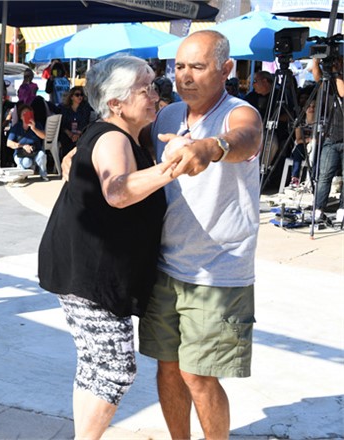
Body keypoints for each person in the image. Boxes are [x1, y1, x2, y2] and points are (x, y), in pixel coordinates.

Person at [39, 55, 175, 440]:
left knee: (95, 364)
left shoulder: (117, 133)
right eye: (144, 89)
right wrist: (175, 164)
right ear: (115, 102)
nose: (155, 94)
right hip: (89, 272)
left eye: (154, 85)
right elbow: (117, 191)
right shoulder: (114, 136)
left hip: (82, 266)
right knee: (115, 368)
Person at [138, 30, 263, 439]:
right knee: (169, 367)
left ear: (226, 69)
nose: (185, 76)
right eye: (178, 66)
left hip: (217, 271)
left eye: (197, 66)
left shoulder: (238, 114)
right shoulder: (168, 115)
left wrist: (210, 148)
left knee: (199, 374)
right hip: (166, 265)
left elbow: (247, 139)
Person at [312, 53, 344, 222]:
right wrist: (316, 60)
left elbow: (342, 93)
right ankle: (318, 209)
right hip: (331, 136)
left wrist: (338, 73)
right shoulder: (329, 81)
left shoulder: (339, 79)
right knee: (324, 176)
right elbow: (317, 78)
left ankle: (342, 209)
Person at [6, 104, 48, 181]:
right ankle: (23, 169)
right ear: (21, 117)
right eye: (24, 114)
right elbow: (9, 143)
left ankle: (43, 174)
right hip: (20, 153)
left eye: (29, 113)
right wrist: (23, 146)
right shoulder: (17, 127)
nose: (27, 115)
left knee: (42, 155)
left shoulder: (37, 124)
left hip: (35, 151)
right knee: (26, 162)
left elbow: (44, 136)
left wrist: (34, 128)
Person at [59, 86, 91, 160]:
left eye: (81, 95)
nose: (80, 97)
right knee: (66, 141)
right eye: (77, 95)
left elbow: (85, 122)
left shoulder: (85, 107)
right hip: (67, 134)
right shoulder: (65, 108)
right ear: (72, 97)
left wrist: (77, 134)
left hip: (81, 133)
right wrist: (70, 134)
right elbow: (63, 124)